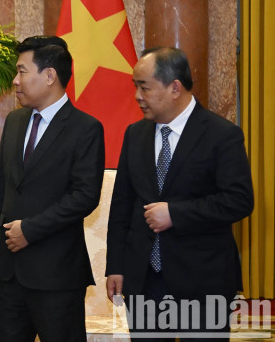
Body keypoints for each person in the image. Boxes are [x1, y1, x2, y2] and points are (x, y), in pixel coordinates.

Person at [105, 47, 254, 339]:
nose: (137, 95)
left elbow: (238, 200)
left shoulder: (221, 135)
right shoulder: (135, 135)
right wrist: (116, 266)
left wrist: (176, 213)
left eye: (144, 87)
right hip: (144, 280)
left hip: (203, 280)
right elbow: (121, 206)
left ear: (175, 87)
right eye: (135, 86)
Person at [0, 35, 105, 342]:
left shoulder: (85, 128)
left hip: (56, 274)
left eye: (22, 71)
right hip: (9, 274)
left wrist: (30, 230)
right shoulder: (15, 121)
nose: (15, 81)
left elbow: (84, 196)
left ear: (50, 76)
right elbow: (0, 191)